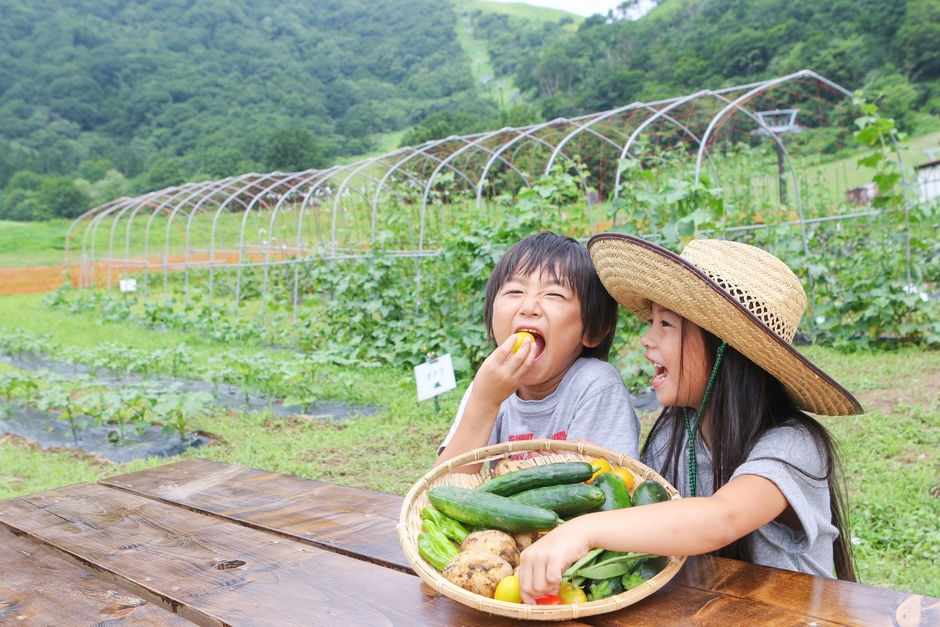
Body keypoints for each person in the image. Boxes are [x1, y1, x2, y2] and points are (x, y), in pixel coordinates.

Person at [518, 233, 863, 601]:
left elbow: (722, 518)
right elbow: (647, 520)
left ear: (724, 349)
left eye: (666, 324)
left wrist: (584, 530)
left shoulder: (792, 444)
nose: (646, 339)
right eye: (652, 321)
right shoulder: (674, 434)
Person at [435, 231, 641, 469]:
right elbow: (442, 488)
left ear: (593, 330)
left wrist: (552, 472)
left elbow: (614, 490)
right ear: (491, 322)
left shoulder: (595, 385)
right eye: (514, 291)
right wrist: (484, 402)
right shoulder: (489, 387)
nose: (529, 306)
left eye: (554, 294)